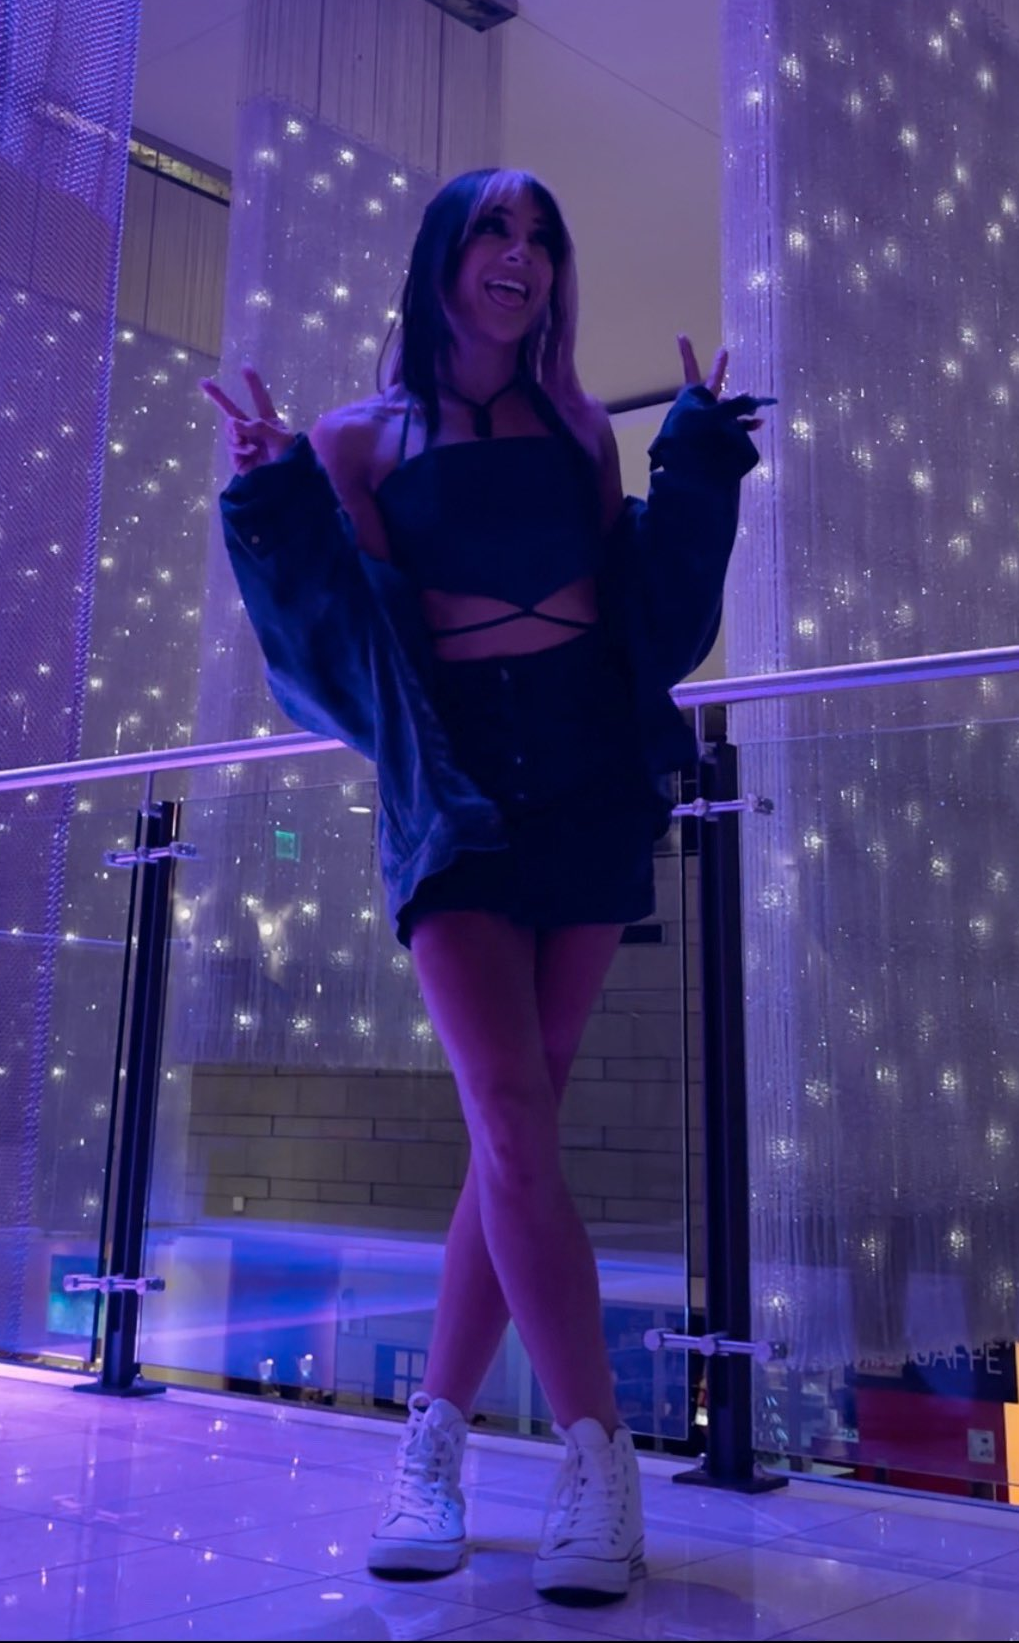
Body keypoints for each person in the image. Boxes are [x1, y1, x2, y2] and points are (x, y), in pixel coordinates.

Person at [202, 168, 767, 1602]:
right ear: (443, 260)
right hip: (452, 782)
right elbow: (338, 639)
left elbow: (644, 609)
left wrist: (697, 458)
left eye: (541, 237)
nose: (521, 255)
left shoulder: (578, 426)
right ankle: (598, 1452)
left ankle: (435, 1442)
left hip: (586, 767)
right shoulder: (358, 436)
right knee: (511, 1115)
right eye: (494, 232)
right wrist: (273, 496)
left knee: (517, 1131)